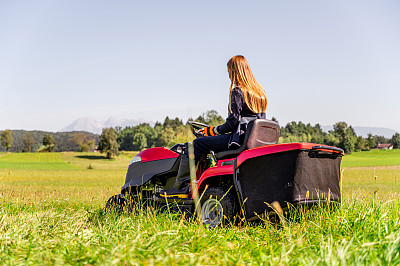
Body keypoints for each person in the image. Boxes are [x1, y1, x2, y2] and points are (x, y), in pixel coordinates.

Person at [158, 55, 268, 198]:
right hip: (252, 142)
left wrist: (212, 130)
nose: (229, 75)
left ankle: (180, 187)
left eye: (229, 71)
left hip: (238, 141)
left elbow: (232, 123)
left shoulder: (238, 91)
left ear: (235, 71)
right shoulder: (260, 94)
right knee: (204, 144)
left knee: (197, 144)